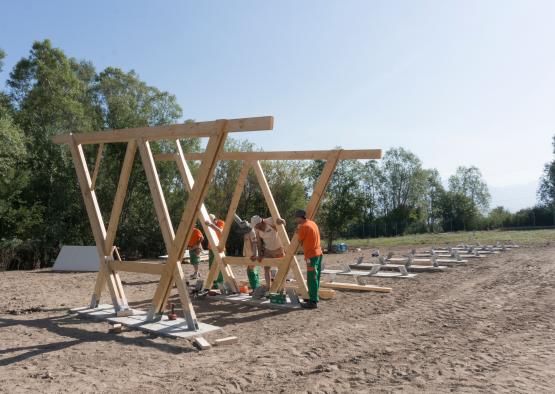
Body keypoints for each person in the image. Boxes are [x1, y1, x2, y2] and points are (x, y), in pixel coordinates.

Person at [294, 209, 323, 309]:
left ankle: (313, 302)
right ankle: (314, 297)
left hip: (311, 255)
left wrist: (298, 231)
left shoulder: (303, 227)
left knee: (311, 278)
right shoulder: (312, 223)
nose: (296, 220)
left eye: (296, 218)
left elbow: (300, 241)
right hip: (318, 253)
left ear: (299, 217)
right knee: (316, 277)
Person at [251, 215, 285, 291]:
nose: (256, 227)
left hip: (278, 248)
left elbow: (282, 223)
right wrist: (259, 255)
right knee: (266, 269)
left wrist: (282, 221)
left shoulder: (270, 221)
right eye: (255, 226)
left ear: (261, 221)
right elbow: (259, 242)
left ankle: (281, 288)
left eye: (257, 225)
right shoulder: (257, 229)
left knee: (282, 268)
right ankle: (268, 287)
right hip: (268, 250)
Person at [233, 214, 260, 290]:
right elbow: (238, 221)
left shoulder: (251, 232)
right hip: (248, 255)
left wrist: (255, 254)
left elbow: (255, 244)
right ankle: (255, 288)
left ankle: (255, 289)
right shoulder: (246, 231)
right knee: (251, 272)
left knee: (251, 272)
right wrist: (233, 214)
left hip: (252, 255)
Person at [205, 214, 225, 288]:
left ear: (215, 220)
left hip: (219, 248)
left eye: (213, 222)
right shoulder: (210, 223)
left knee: (219, 267)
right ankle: (214, 283)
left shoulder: (221, 223)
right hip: (211, 248)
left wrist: (210, 225)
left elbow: (220, 231)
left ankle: (220, 283)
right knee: (211, 266)